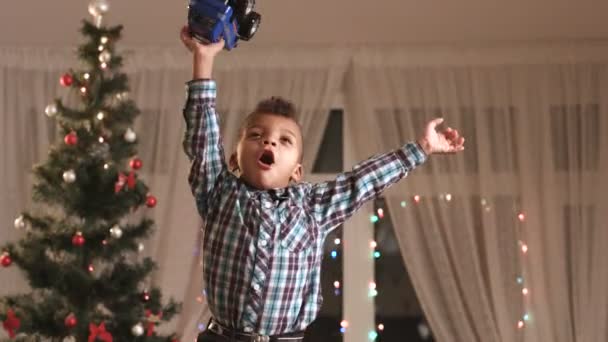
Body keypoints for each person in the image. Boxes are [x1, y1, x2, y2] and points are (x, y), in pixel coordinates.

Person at [179, 26, 465, 342]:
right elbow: (203, 137)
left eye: (283, 140)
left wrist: (421, 148)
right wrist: (203, 60)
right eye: (257, 136)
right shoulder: (219, 193)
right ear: (234, 160)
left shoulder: (312, 206)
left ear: (297, 172)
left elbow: (364, 181)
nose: (269, 143)